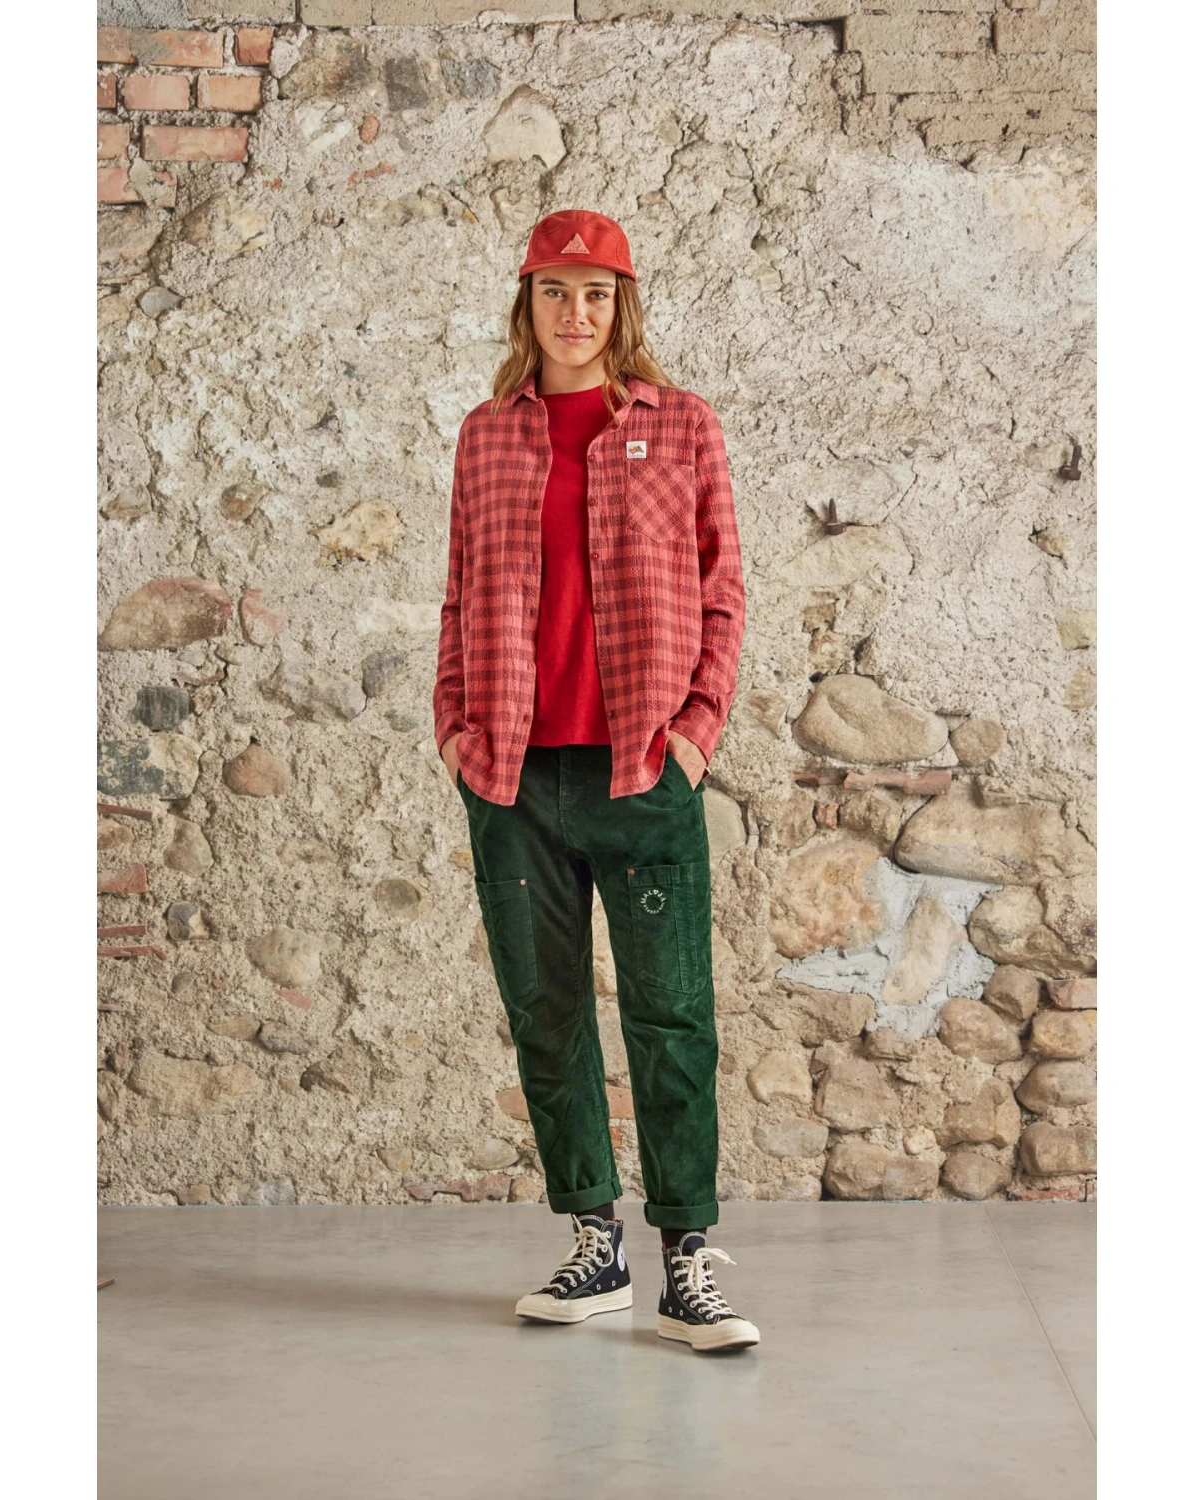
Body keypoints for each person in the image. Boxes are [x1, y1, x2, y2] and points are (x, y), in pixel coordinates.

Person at [433, 209, 755, 1353]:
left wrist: (696, 734)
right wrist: (457, 731)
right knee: (548, 1013)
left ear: (624, 306)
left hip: (643, 770)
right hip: (515, 778)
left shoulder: (682, 426)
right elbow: (460, 594)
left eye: (598, 293)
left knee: (673, 1017)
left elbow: (724, 590)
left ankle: (687, 1261)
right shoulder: (486, 438)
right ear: (526, 304)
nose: (577, 314)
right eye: (556, 292)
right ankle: (593, 1242)